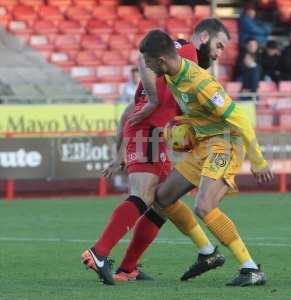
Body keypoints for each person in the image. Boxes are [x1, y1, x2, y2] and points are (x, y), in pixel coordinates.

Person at [81, 18, 232, 285]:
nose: (219, 54)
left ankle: (128, 268)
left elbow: (131, 110)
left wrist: (120, 152)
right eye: (218, 45)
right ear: (204, 36)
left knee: (162, 203)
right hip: (147, 133)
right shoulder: (186, 52)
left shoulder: (182, 71)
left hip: (152, 135)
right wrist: (152, 101)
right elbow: (143, 58)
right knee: (143, 196)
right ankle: (99, 252)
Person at [140, 30, 273, 286]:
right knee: (162, 198)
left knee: (204, 207)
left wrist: (258, 160)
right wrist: (179, 125)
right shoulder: (171, 77)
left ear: (161, 60)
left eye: (147, 61)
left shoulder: (201, 83)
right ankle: (207, 253)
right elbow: (195, 112)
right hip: (204, 145)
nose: (145, 66)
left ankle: (251, 269)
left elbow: (240, 119)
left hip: (226, 143)